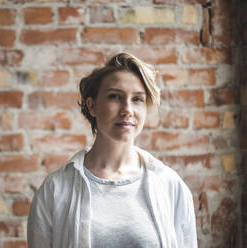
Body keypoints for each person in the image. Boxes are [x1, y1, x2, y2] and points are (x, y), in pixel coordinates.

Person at [27, 52, 197, 248]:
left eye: (137, 99)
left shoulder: (171, 186)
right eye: (115, 97)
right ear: (92, 106)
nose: (127, 109)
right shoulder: (54, 190)